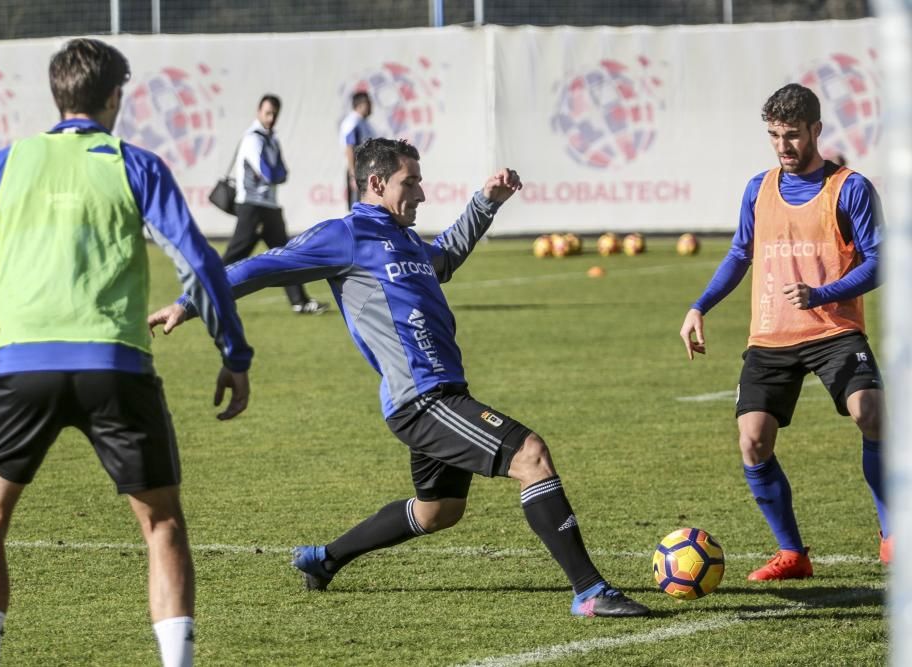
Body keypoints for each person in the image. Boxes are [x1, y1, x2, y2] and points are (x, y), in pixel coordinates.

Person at [150, 138, 651, 618]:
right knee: (531, 456)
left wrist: (486, 202)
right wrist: (189, 303)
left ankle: (324, 559)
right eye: (410, 183)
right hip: (422, 400)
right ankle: (589, 591)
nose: (422, 194)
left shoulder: (404, 239)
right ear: (376, 183)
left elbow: (446, 257)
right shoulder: (344, 235)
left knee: (440, 512)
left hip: (443, 392)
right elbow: (257, 268)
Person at [0, 38, 254, 667]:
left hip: (22, 369)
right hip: (116, 365)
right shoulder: (133, 162)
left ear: (58, 94)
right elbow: (199, 263)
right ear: (115, 96)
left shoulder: (6, 163)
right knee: (161, 524)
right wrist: (234, 352)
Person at [678, 83, 886, 581]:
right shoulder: (759, 187)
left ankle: (892, 534)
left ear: (816, 130)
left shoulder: (849, 187)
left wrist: (821, 294)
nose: (783, 146)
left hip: (833, 328)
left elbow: (881, 261)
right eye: (774, 136)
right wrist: (698, 306)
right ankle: (792, 554)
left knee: (872, 414)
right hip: (771, 335)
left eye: (791, 136)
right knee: (753, 441)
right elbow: (739, 254)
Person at [225, 94, 327, 314]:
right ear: (258, 112)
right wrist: (275, 174)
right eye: (268, 113)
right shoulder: (253, 138)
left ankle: (300, 302)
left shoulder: (272, 139)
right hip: (252, 206)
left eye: (274, 114)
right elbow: (271, 173)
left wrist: (276, 174)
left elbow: (283, 173)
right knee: (235, 256)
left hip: (269, 206)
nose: (271, 118)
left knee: (286, 254)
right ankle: (207, 293)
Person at [339, 91, 376, 209]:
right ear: (360, 105)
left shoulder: (363, 122)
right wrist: (353, 174)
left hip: (365, 169)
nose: (371, 106)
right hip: (358, 170)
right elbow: (350, 147)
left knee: (368, 206)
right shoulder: (353, 122)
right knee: (359, 207)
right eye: (368, 103)